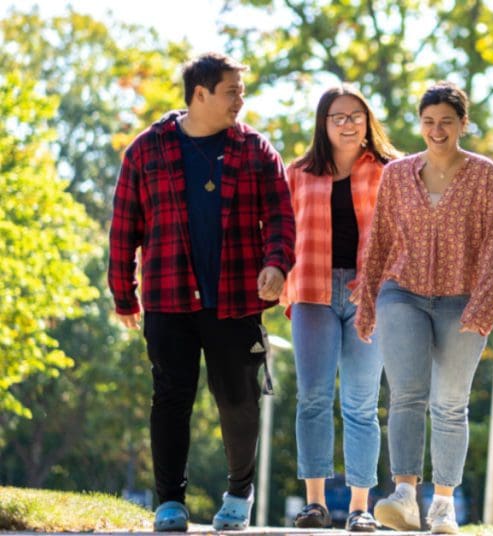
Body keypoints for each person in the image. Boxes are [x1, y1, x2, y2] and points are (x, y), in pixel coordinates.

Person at [108, 52, 295, 532]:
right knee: (170, 397)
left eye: (242, 92)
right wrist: (123, 294)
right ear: (200, 94)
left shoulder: (255, 149)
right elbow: (124, 228)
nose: (241, 100)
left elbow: (280, 216)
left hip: (235, 298)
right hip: (169, 299)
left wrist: (276, 262)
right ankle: (169, 502)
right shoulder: (146, 151)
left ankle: (238, 492)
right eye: (232, 91)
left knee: (238, 399)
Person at [351, 81, 493, 534]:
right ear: (420, 124)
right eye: (428, 122)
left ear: (462, 123)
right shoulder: (398, 174)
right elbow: (379, 239)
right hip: (403, 292)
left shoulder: (484, 175)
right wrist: (367, 303)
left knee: (450, 403)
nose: (436, 130)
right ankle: (404, 494)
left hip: (463, 298)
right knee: (406, 394)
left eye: (446, 121)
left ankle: (442, 503)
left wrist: (483, 309)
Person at [280, 84, 402, 532]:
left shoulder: (391, 171)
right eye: (338, 117)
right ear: (324, 125)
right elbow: (279, 232)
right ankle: (315, 504)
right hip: (312, 291)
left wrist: (379, 283)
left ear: (368, 121)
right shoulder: (297, 173)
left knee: (361, 403)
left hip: (368, 297)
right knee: (312, 398)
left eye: (355, 115)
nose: (348, 124)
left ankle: (360, 507)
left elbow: (402, 238)